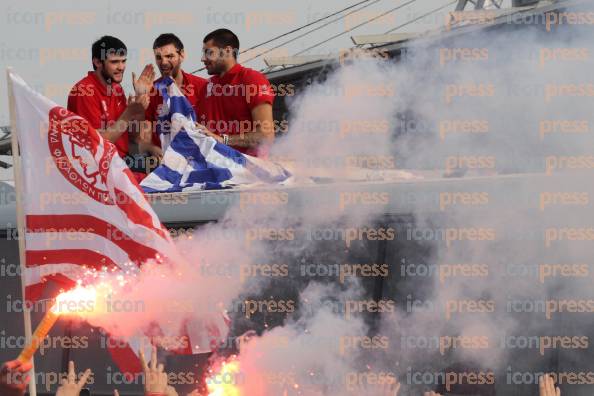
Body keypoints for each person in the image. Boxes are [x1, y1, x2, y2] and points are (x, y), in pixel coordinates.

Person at [67, 35, 159, 163]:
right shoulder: (84, 91)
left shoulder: (116, 88)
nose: (121, 67)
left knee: (168, 162)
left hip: (122, 159)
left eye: (123, 61)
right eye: (114, 62)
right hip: (100, 165)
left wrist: (139, 102)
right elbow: (97, 145)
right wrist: (129, 113)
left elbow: (133, 138)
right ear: (97, 62)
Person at [197, 28, 275, 158]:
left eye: (209, 52)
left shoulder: (252, 79)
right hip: (214, 172)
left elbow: (266, 136)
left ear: (227, 51)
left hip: (247, 172)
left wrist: (223, 140)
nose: (203, 59)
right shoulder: (207, 87)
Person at [143, 33, 208, 155]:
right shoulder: (150, 92)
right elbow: (142, 137)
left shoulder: (202, 86)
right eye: (159, 57)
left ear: (181, 55)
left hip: (199, 158)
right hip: (165, 164)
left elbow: (213, 129)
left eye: (169, 56)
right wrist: (152, 149)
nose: (164, 62)